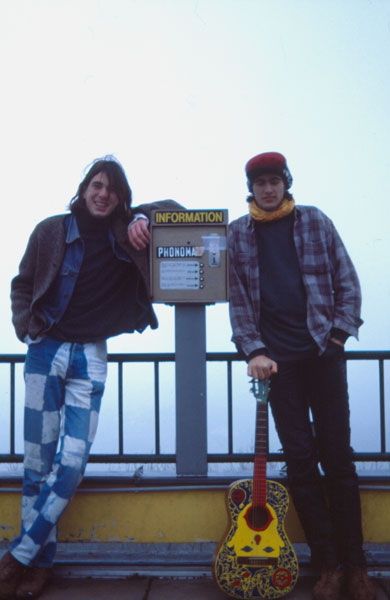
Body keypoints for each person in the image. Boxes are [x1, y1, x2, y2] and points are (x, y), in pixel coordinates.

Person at [0, 157, 178, 600]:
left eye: (113, 190)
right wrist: (26, 326)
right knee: (37, 467)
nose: (103, 194)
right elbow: (22, 283)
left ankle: (16, 557)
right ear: (83, 189)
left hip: (91, 356)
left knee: (73, 462)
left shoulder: (126, 232)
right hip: (46, 350)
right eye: (97, 186)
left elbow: (175, 209)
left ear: (121, 198)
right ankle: (39, 567)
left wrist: (141, 217)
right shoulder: (51, 231)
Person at [228, 152, 376, 600]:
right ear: (251, 188)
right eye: (260, 183)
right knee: (300, 461)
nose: (268, 189)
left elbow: (347, 281)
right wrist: (253, 349)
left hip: (322, 354)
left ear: (287, 183)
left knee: (338, 458)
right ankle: (327, 566)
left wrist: (337, 339)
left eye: (275, 181)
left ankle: (357, 567)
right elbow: (237, 300)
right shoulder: (238, 233)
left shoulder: (314, 221)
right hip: (278, 367)